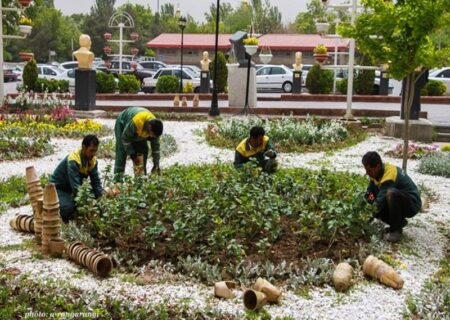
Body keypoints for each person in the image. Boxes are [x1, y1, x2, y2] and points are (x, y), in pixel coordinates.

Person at [362, 151, 422, 243]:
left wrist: (365, 219)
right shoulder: (375, 174)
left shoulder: (390, 174)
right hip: (399, 201)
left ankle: (396, 231)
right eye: (366, 170)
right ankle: (399, 222)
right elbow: (369, 194)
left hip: (412, 204)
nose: (367, 173)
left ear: (377, 166)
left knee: (390, 193)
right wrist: (365, 205)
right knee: (372, 197)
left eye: (369, 170)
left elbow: (378, 204)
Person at [50, 135, 103, 222]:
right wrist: (88, 205)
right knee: (68, 208)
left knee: (97, 199)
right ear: (84, 147)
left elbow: (96, 183)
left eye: (95, 151)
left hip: (71, 189)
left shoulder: (92, 160)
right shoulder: (73, 160)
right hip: (58, 189)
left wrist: (101, 200)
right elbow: (76, 188)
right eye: (91, 150)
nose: (94, 154)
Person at [114, 107, 163, 180]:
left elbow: (155, 147)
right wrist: (132, 154)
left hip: (139, 129)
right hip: (123, 123)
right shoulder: (137, 121)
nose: (152, 137)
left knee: (142, 150)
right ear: (149, 128)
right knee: (122, 151)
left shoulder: (155, 128)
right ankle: (117, 180)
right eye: (151, 134)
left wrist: (156, 164)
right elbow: (125, 138)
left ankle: (140, 180)